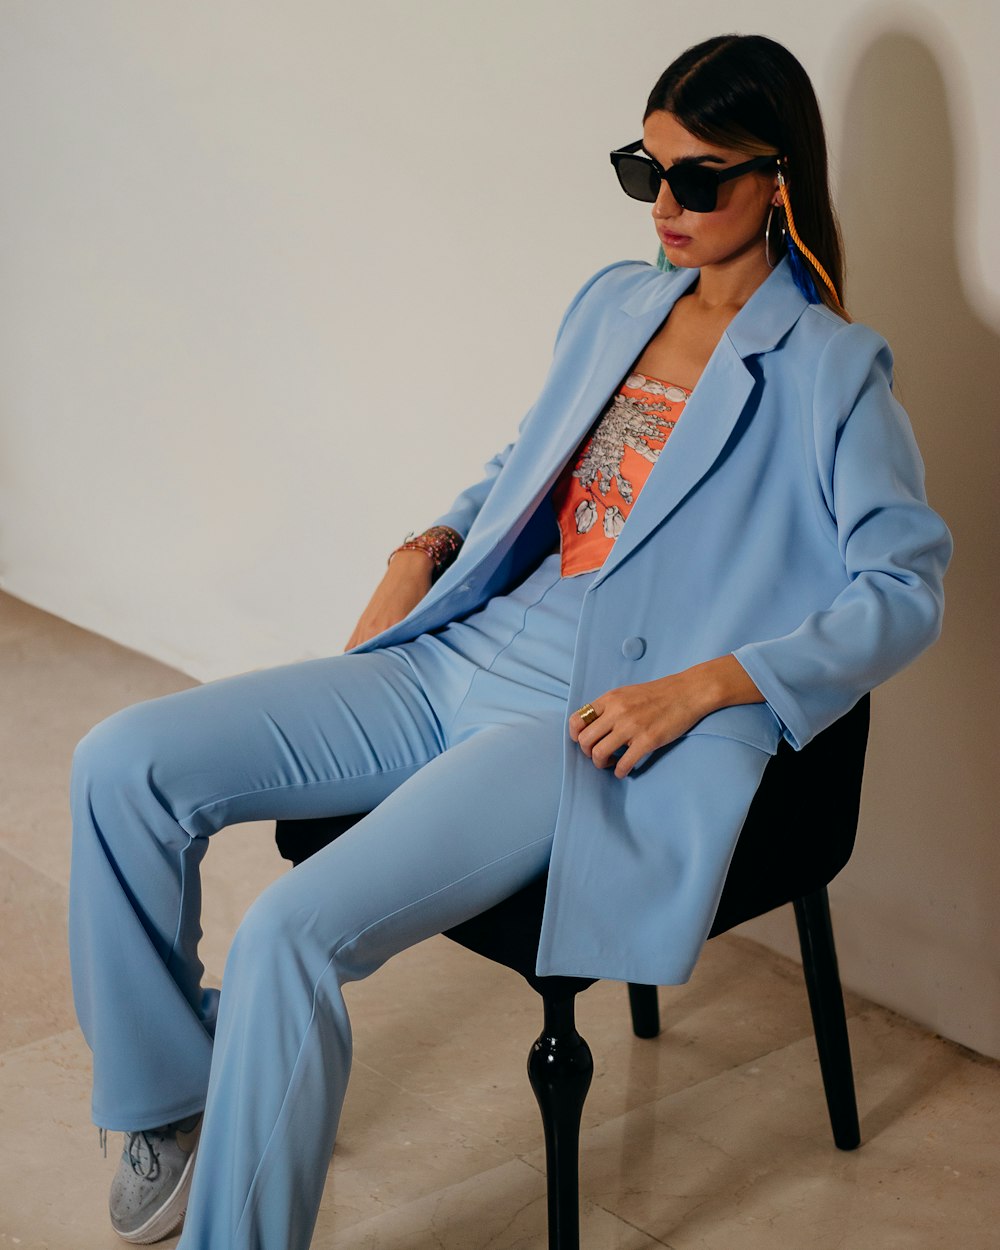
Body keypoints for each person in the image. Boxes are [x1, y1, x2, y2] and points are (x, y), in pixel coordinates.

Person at [68, 32, 952, 1249]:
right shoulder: (613, 302)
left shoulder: (832, 372)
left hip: (578, 716)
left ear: (778, 180)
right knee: (123, 762)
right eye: (648, 174)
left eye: (700, 178)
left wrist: (707, 685)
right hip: (458, 649)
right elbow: (526, 464)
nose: (669, 208)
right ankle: (174, 1099)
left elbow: (903, 586)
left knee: (290, 931)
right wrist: (425, 543)